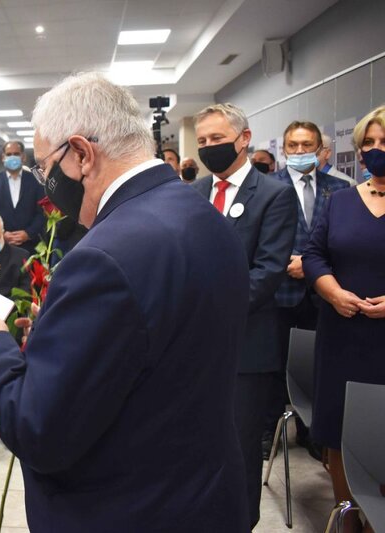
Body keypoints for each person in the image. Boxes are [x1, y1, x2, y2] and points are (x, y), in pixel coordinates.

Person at [0, 72, 250, 532]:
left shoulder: (102, 258)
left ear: (81, 154)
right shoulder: (203, 215)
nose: (46, 184)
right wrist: (61, 330)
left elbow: (38, 428)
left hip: (127, 508)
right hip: (203, 494)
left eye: (45, 169)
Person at [192, 103, 298, 529]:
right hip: (192, 348)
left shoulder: (274, 195)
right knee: (197, 444)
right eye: (202, 141)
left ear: (243, 139)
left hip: (245, 347)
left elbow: (269, 270)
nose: (208, 147)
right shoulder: (193, 192)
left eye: (217, 138)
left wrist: (209, 311)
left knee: (238, 447)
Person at [303, 106, 385, 533]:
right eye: (368, 142)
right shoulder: (340, 201)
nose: (375, 149)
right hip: (343, 335)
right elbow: (314, 255)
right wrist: (332, 292)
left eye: (384, 142)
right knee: (341, 431)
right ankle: (348, 519)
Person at [265, 121, 348, 459]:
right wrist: (291, 261)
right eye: (293, 146)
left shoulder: (340, 189)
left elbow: (343, 239)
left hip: (323, 293)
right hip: (280, 290)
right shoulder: (269, 186)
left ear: (321, 150)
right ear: (284, 149)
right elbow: (263, 236)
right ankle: (269, 432)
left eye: (307, 145)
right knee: (274, 364)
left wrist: (312, 266)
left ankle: (312, 432)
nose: (300, 151)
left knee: (317, 365)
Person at [0, 140, 46, 252]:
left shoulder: (35, 181)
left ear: (23, 157)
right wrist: (1, 233)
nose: (12, 157)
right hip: (1, 245)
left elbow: (42, 212)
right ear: (3, 157)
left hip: (30, 245)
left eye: (16, 154)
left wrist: (28, 233)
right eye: (9, 154)